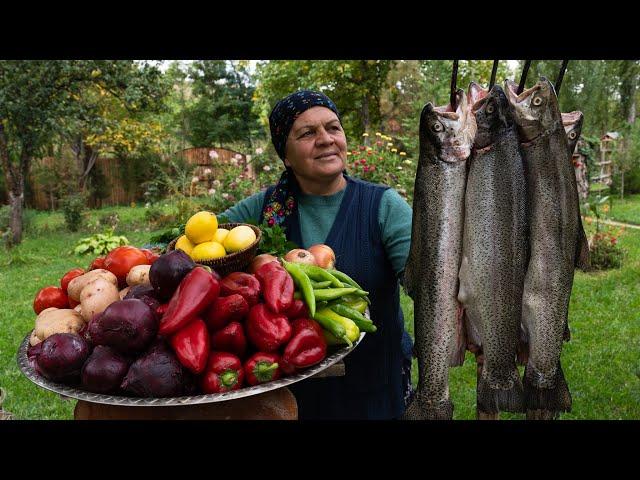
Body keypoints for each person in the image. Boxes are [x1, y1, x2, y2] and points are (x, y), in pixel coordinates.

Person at [219, 90, 414, 420]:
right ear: (286, 156)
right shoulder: (263, 210)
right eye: (307, 133)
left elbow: (422, 280)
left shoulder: (382, 206)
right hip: (289, 396)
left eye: (333, 128)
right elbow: (203, 244)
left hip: (372, 389)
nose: (326, 140)